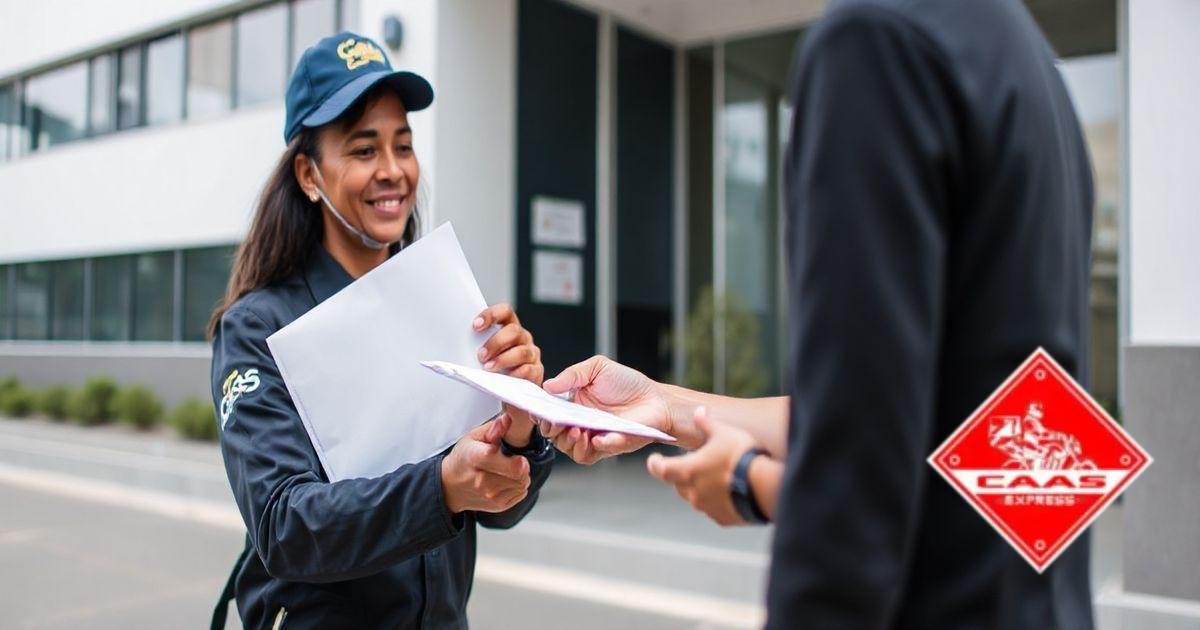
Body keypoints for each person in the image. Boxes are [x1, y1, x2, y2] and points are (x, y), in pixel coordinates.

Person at [541, 0, 1096, 626]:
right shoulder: (1029, 66)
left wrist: (751, 483)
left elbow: (856, 493)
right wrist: (664, 405)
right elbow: (997, 438)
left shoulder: (876, 42)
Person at [207, 32, 553, 629]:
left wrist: (521, 425)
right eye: (364, 150)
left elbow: (499, 510)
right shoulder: (257, 329)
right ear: (309, 175)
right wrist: (441, 486)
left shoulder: (441, 304)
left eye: (404, 146)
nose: (393, 171)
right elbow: (284, 524)